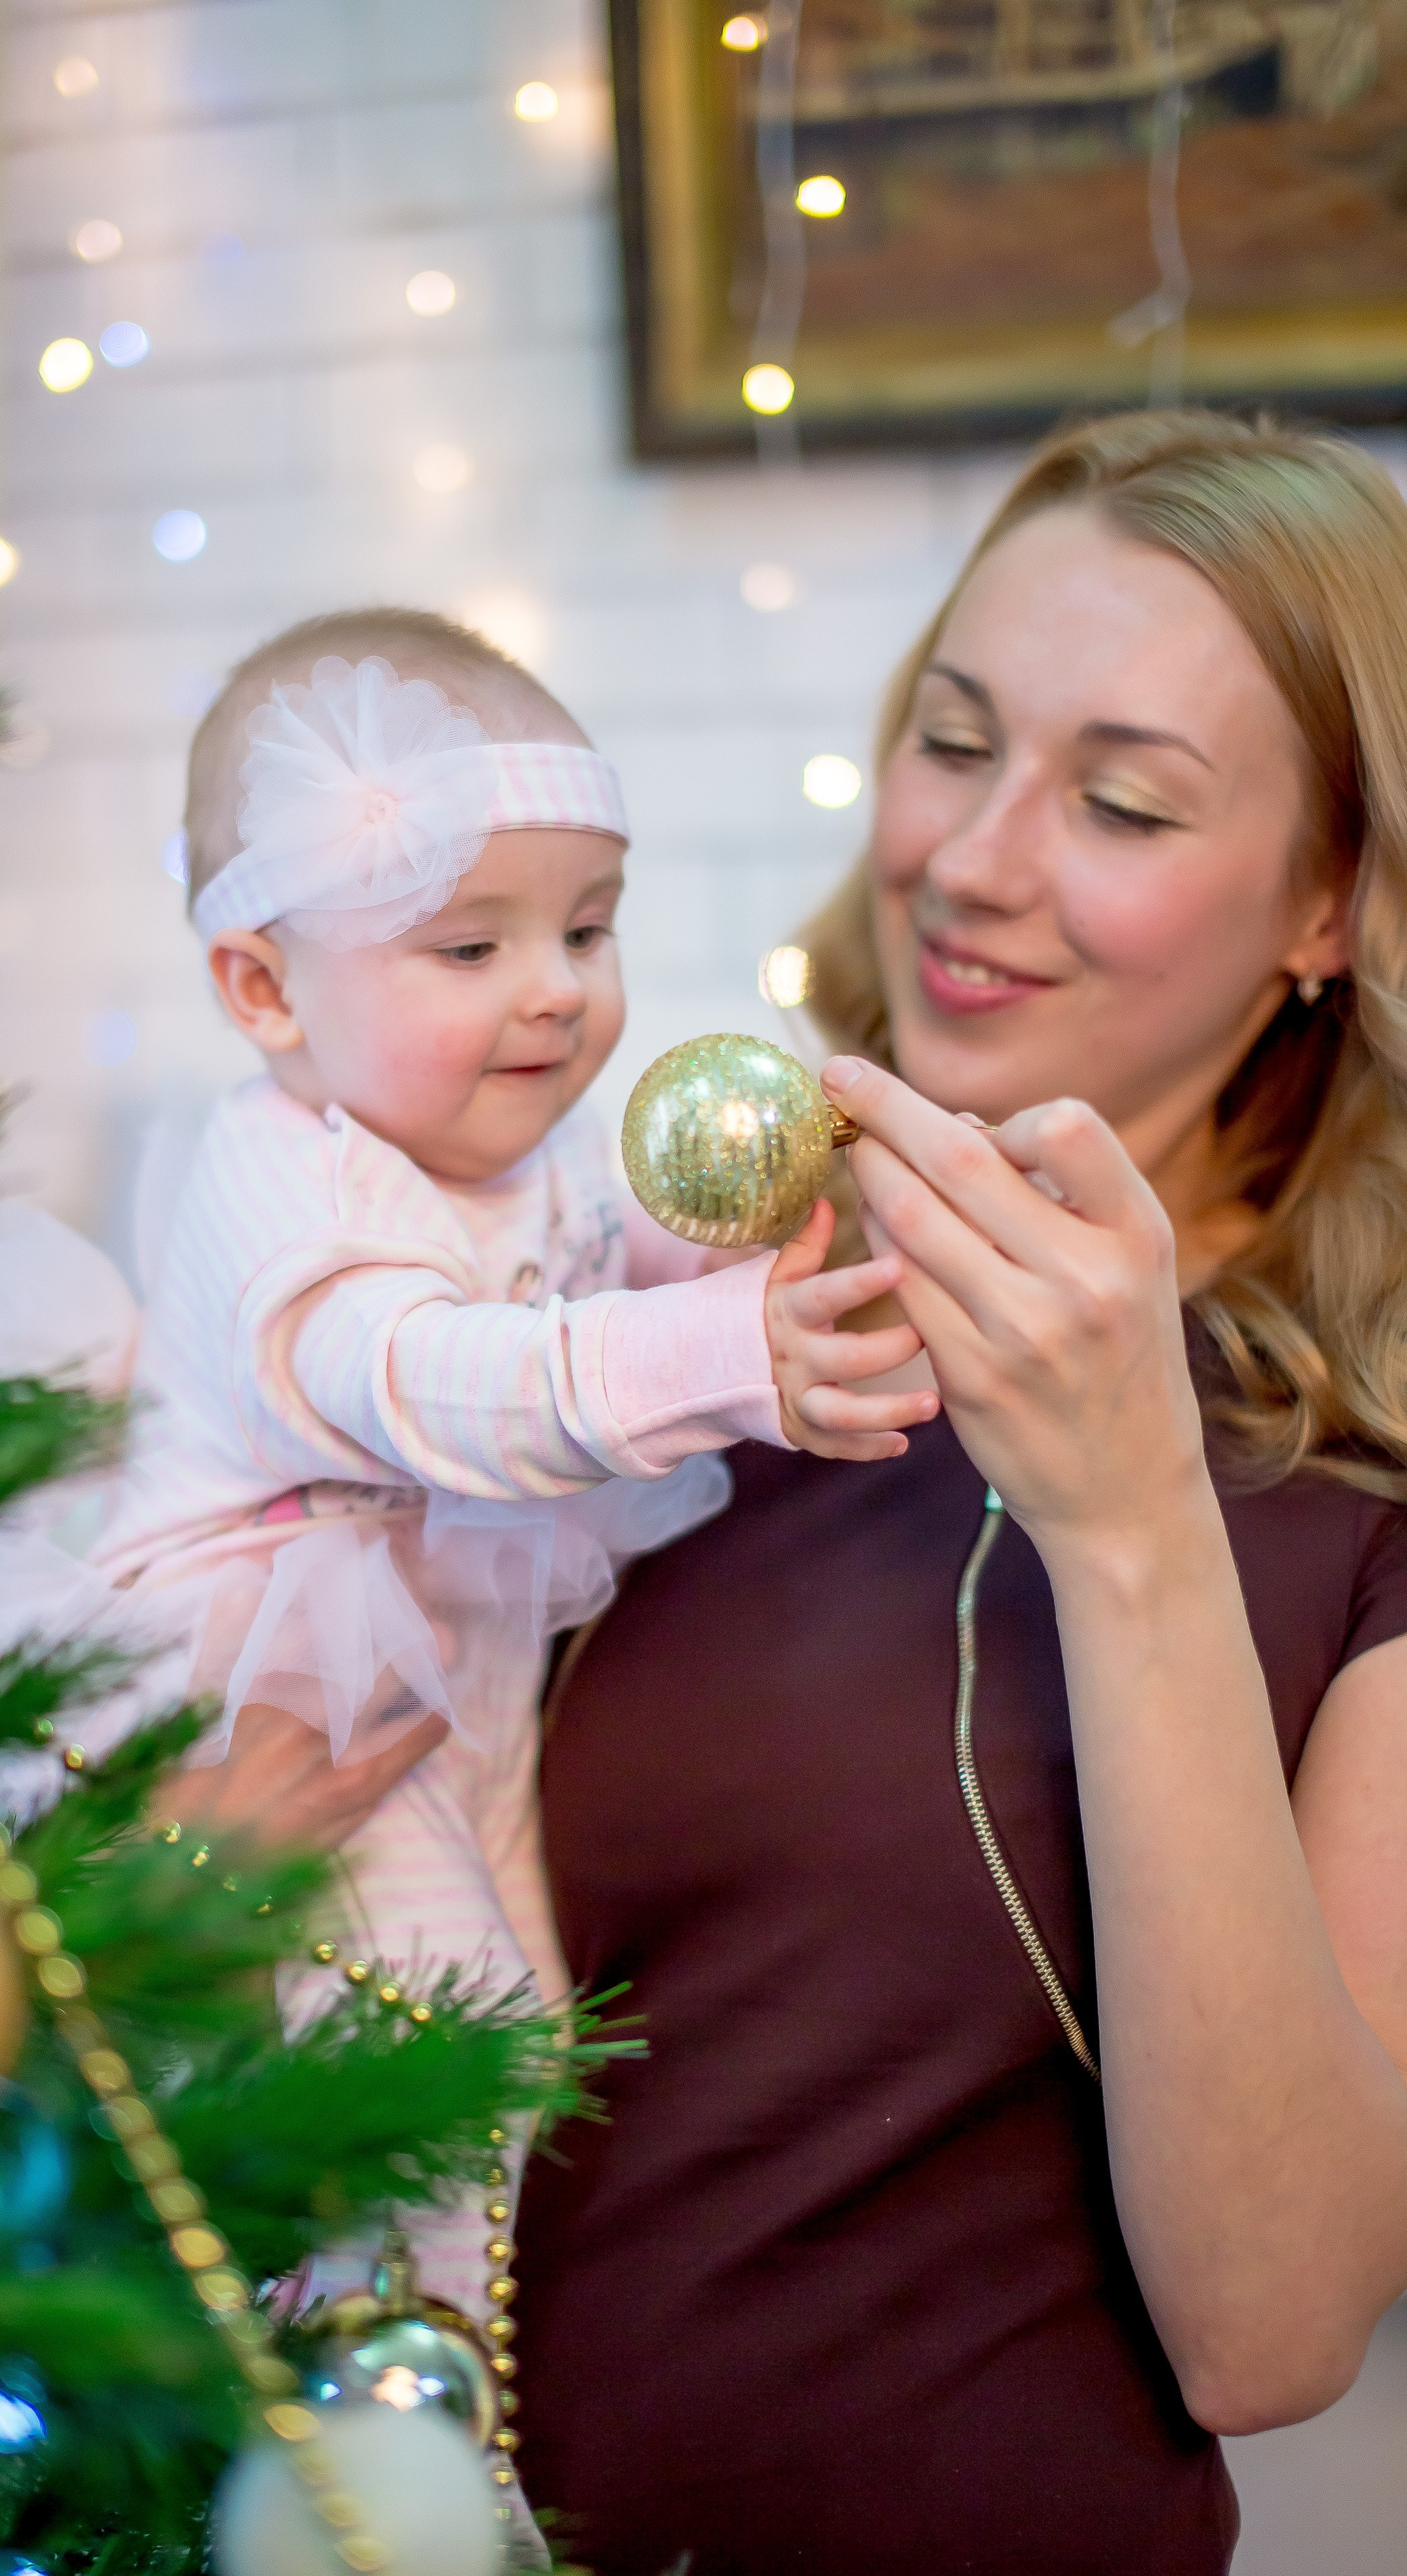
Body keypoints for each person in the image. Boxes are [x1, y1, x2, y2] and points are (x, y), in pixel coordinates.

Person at [500, 412, 1407, 2575]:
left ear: (1324, 905)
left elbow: (1269, 2333)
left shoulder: (1359, 1509)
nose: (972, 862)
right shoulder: (661, 1315)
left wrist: (1124, 1523)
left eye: (1115, 801)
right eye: (949, 740)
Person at [85, 608, 931, 2327]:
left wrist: (727, 1268)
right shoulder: (281, 1181)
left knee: (517, 2022)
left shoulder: (515, 1162)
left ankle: (452, 2372)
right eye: (469, 947)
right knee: (424, 2033)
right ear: (262, 986)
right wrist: (714, 1361)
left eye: (588, 926)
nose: (555, 986)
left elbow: (596, 1274)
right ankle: (368, 2386)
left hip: (446, 1671)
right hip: (275, 1687)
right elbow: (428, 1380)